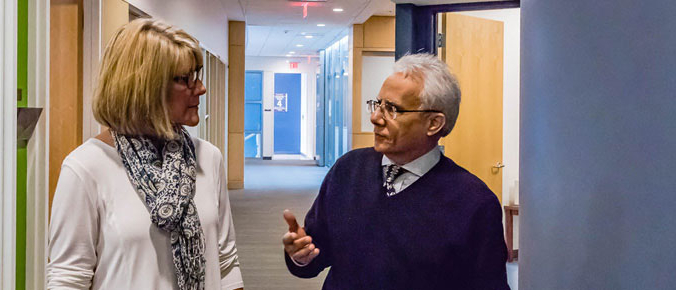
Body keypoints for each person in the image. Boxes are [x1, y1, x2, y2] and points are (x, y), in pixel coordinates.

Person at [281, 53, 510, 289]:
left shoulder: (474, 202)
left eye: (392, 109)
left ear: (434, 124)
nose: (375, 117)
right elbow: (316, 252)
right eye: (377, 104)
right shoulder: (348, 170)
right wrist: (300, 256)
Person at [47, 19, 244, 290]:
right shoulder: (86, 167)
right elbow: (68, 279)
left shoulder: (208, 158)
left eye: (197, 76)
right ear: (145, 87)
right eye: (184, 80)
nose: (200, 89)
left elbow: (226, 263)